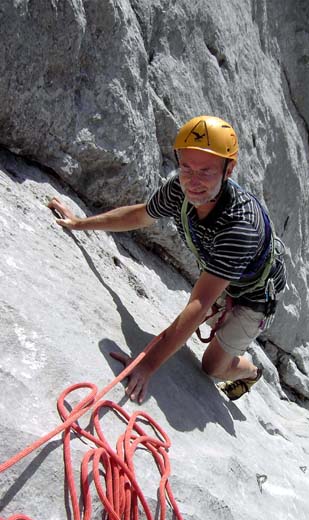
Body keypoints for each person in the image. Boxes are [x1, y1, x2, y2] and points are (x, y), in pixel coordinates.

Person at [48, 115, 286, 404]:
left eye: (206, 171)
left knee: (212, 368)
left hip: (254, 297)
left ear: (229, 170)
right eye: (186, 166)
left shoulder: (239, 227)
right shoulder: (180, 190)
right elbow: (139, 214)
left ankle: (250, 372)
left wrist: (147, 365)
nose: (193, 180)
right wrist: (80, 223)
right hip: (225, 275)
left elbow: (198, 307)